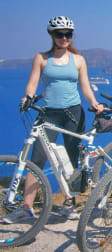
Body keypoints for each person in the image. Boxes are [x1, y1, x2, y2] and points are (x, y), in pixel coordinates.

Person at [3, 16, 103, 222]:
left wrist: (93, 101)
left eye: (68, 34)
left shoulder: (79, 60)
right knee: (38, 158)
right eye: (60, 34)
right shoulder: (41, 58)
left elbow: (84, 85)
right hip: (48, 113)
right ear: (51, 35)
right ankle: (27, 207)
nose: (64, 38)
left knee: (71, 158)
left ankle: (69, 203)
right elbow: (33, 83)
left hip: (73, 114)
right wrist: (28, 97)